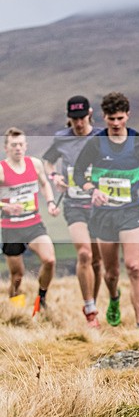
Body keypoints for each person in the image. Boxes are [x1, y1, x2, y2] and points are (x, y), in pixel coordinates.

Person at [73, 92, 139, 328]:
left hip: (131, 212)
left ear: (128, 115)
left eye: (120, 118)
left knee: (134, 267)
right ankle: (114, 298)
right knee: (111, 273)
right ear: (103, 117)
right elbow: (78, 172)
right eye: (111, 119)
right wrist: (92, 189)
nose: (115, 124)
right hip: (104, 215)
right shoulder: (95, 143)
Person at [42, 95, 105, 328]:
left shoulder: (101, 136)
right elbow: (48, 161)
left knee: (98, 262)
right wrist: (55, 176)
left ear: (89, 113)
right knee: (85, 255)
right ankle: (89, 309)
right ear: (69, 118)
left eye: (82, 118)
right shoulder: (62, 139)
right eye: (74, 119)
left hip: (99, 205)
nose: (79, 123)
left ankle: (94, 304)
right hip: (74, 203)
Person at [1, 127, 60, 316]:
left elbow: (44, 184)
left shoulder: (34, 164)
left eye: (21, 144)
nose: (18, 148)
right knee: (17, 275)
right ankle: (15, 309)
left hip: (33, 223)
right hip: (11, 228)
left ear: (26, 146)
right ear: (6, 148)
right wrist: (4, 206)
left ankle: (40, 300)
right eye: (13, 145)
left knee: (49, 259)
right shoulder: (2, 170)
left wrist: (50, 202)